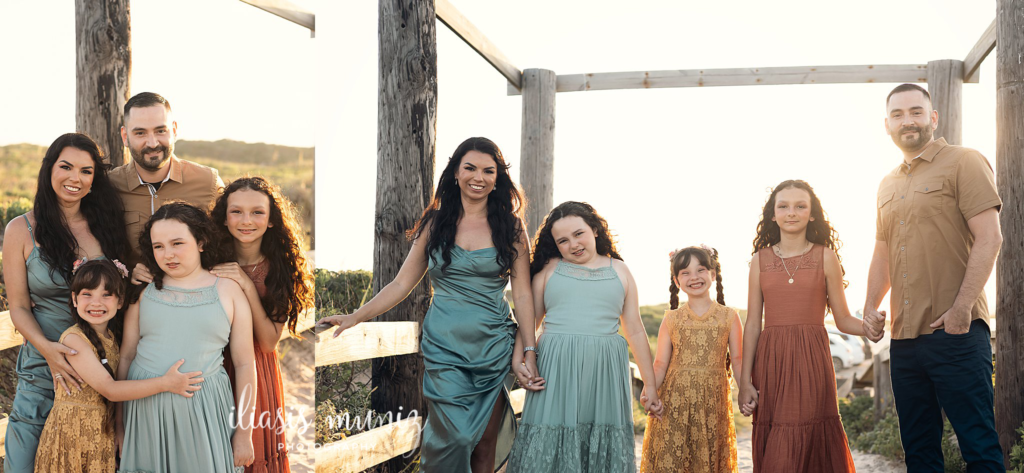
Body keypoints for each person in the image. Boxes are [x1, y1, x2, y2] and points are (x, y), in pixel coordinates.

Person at [318, 137, 540, 472]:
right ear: (455, 172)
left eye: (488, 170)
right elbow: (401, 284)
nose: (478, 176)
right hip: (444, 347)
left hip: (493, 345)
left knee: (483, 446)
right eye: (470, 168)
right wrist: (355, 316)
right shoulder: (435, 223)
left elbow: (522, 294)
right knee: (456, 438)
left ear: (497, 179)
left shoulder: (511, 228)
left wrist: (528, 350)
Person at [863, 83, 1004, 471]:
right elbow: (883, 251)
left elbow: (990, 237)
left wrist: (962, 309)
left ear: (932, 118)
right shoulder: (887, 184)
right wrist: (869, 307)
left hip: (955, 332)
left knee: (978, 444)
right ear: (887, 125)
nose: (907, 120)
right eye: (897, 114)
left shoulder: (964, 161)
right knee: (920, 452)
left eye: (915, 111)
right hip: (904, 340)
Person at [2, 133, 130, 473]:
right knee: (24, 465)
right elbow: (19, 307)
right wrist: (47, 350)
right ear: (49, 169)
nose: (75, 178)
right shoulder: (21, 230)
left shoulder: (106, 227)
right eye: (66, 167)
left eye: (86, 171)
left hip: (102, 368)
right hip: (45, 370)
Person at [506, 201, 663, 473]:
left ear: (595, 229)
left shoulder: (620, 271)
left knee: (599, 441)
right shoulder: (549, 270)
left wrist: (650, 384)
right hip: (557, 369)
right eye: (563, 240)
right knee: (551, 438)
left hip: (605, 371)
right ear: (555, 245)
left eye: (579, 234)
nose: (574, 244)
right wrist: (519, 359)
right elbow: (530, 320)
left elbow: (635, 329)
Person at [738, 179, 871, 472]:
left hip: (811, 362)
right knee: (777, 446)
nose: (791, 212)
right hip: (771, 363)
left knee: (808, 437)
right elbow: (752, 325)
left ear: (812, 214)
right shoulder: (759, 261)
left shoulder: (825, 256)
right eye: (783, 206)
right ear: (772, 215)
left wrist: (870, 329)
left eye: (800, 206)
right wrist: (744, 381)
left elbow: (844, 319)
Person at [117, 202, 257, 472]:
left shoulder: (228, 291)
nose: (168, 254)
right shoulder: (144, 290)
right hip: (146, 410)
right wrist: (120, 425)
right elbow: (126, 356)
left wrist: (244, 433)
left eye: (177, 243)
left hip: (204, 410)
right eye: (158, 246)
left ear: (201, 242)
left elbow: (244, 364)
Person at [33, 258, 203, 473]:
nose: (96, 303)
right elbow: (111, 390)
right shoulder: (74, 340)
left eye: (106, 295)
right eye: (87, 294)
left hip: (99, 435)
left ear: (120, 301)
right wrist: (166, 383)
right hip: (72, 436)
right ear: (74, 299)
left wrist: (118, 428)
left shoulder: (111, 339)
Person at [210, 176, 315, 473]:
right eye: (236, 212)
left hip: (255, 370)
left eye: (257, 212)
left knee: (248, 455)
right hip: (211, 366)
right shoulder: (207, 259)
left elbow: (269, 342)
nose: (246, 220)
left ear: (271, 220)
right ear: (224, 218)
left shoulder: (282, 268)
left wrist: (245, 283)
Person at [640, 245, 741, 473]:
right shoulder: (672, 319)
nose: (694, 277)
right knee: (673, 457)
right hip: (674, 400)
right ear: (676, 281)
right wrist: (651, 391)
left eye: (701, 270)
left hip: (712, 401)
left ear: (713, 274)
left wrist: (745, 390)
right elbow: (660, 364)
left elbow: (738, 360)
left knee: (707, 457)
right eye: (685, 272)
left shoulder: (729, 317)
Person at [108, 92, 224, 266]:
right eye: (140, 133)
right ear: (125, 137)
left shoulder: (209, 182)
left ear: (174, 130)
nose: (153, 143)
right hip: (132, 291)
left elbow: (232, 241)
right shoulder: (109, 186)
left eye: (160, 131)